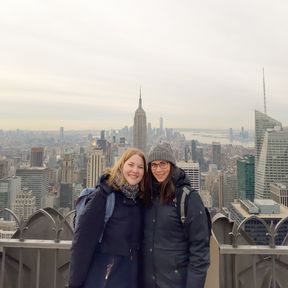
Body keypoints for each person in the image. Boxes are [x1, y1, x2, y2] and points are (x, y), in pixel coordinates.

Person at [68, 148, 146, 288]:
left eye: (140, 167)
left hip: (130, 279)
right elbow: (82, 243)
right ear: (121, 165)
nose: (135, 170)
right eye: (131, 165)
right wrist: (75, 283)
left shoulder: (139, 200)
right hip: (103, 279)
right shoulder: (104, 196)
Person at [142, 141, 210, 288]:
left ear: (172, 165)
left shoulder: (188, 198)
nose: (158, 169)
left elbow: (199, 252)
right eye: (154, 165)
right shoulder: (147, 195)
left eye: (163, 164)